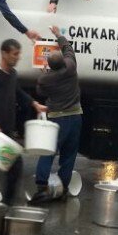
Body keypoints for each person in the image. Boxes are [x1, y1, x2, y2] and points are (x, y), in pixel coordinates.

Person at [0, 39, 46, 205]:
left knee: (14, 167)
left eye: (19, 54)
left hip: (2, 134)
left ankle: (6, 205)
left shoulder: (11, 74)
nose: (18, 57)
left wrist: (34, 104)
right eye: (15, 54)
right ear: (4, 53)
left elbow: (17, 92)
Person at [30, 26, 82, 204]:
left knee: (49, 151)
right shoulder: (71, 66)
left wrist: (44, 72)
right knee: (69, 154)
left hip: (57, 118)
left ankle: (42, 187)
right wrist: (59, 35)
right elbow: (68, 49)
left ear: (50, 66)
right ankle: (63, 189)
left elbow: (40, 91)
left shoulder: (46, 78)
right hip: (76, 116)